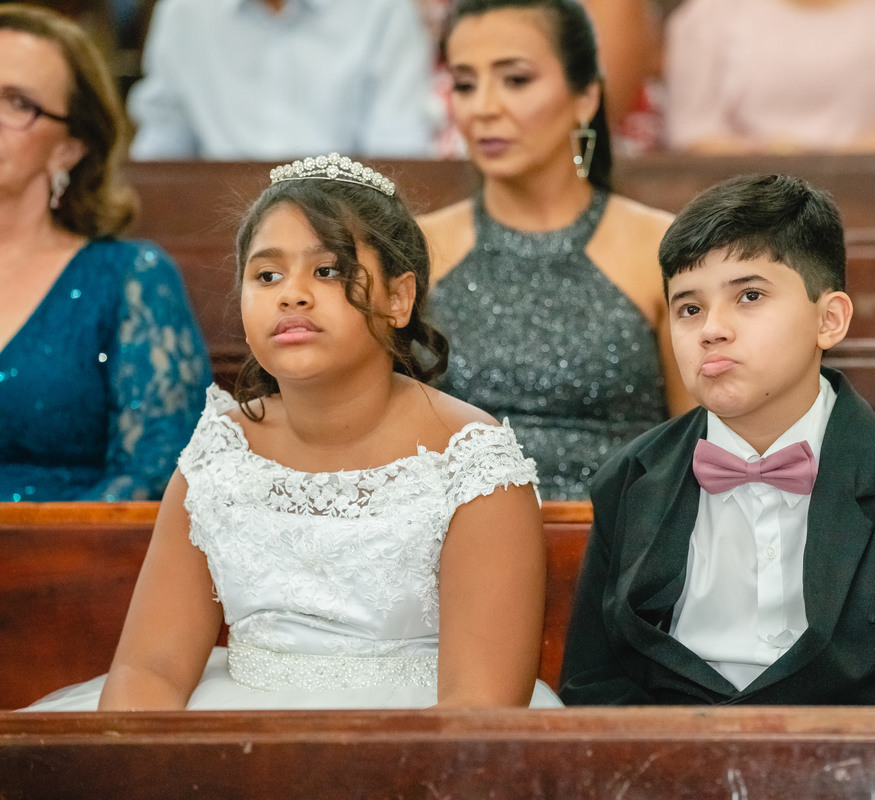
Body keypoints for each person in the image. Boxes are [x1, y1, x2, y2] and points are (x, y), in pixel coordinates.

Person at [25, 153, 559, 710]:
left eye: (328, 271)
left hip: (419, 738)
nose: (292, 294)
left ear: (398, 298)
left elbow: (479, 707)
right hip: (233, 729)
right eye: (267, 275)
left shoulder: (472, 462)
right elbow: (151, 669)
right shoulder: (221, 451)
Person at [559, 174, 875, 706]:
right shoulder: (630, 480)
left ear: (829, 320)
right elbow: (591, 687)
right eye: (689, 308)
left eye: (749, 296)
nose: (712, 329)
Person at [420, 0, 691, 501]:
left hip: (620, 535)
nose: (483, 107)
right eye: (465, 84)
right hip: (450, 531)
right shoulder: (418, 250)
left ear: (585, 97)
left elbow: (703, 448)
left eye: (515, 80)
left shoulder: (661, 248)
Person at [0, 4, 209, 503]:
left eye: (17, 103)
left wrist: (44, 544)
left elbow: (155, 473)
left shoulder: (128, 278)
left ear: (70, 148)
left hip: (69, 545)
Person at [126, 0, 440, 160]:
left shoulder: (381, 9)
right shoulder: (185, 12)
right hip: (216, 223)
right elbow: (163, 144)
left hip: (346, 229)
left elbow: (399, 153)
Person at [662, 0, 875, 154]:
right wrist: (778, 163)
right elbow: (695, 134)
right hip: (748, 213)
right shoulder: (708, 16)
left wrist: (830, 161)